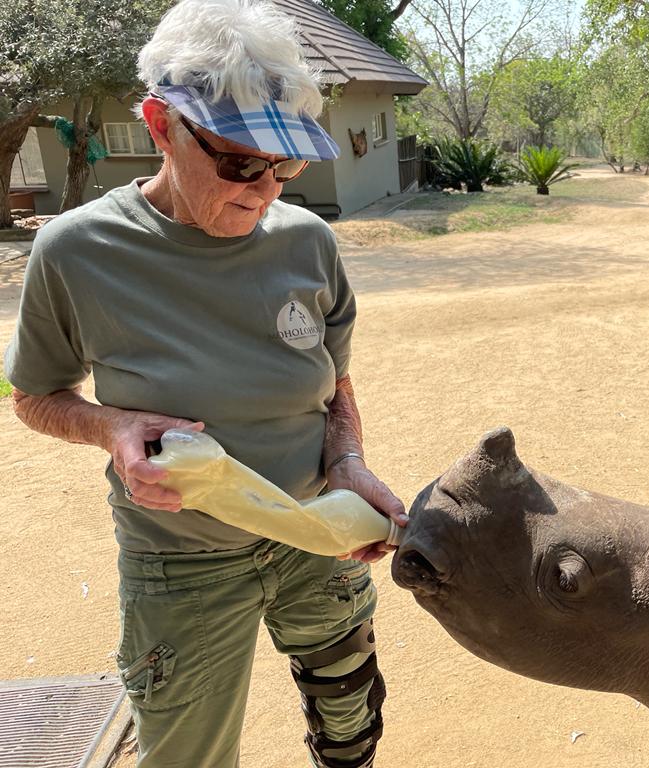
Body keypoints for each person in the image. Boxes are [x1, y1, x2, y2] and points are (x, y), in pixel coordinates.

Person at [3, 1, 407, 766]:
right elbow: (33, 397)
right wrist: (112, 428)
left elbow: (336, 385)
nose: (266, 190)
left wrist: (348, 461)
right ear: (161, 126)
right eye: (240, 164)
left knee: (351, 726)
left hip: (317, 538)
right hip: (180, 563)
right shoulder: (75, 251)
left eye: (285, 165)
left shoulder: (309, 243)